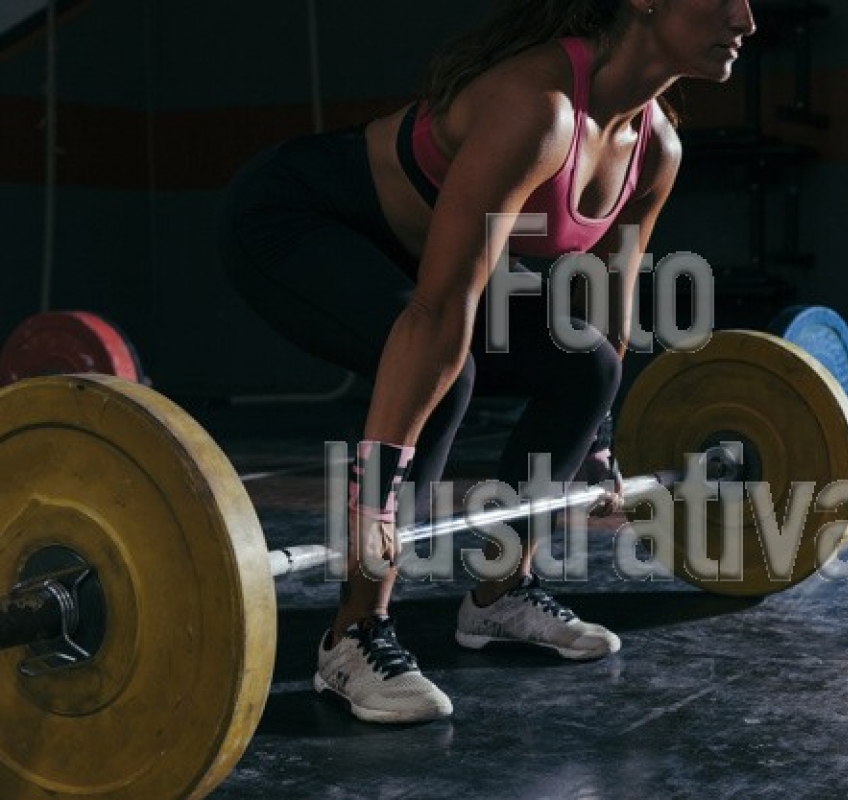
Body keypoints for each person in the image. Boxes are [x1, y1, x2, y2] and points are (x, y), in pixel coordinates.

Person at [218, 0, 756, 724]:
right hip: (297, 218)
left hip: (414, 262)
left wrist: (599, 444)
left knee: (586, 366)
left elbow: (606, 307)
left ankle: (499, 594)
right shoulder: (537, 109)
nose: (747, 19)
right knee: (445, 375)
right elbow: (437, 316)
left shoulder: (656, 149)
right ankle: (352, 634)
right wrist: (371, 500)